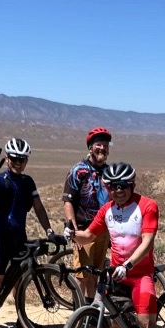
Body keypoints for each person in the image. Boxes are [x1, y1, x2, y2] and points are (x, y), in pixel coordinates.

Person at [69, 162, 165, 328]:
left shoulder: (147, 206)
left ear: (132, 185)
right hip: (117, 273)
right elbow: (89, 235)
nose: (118, 190)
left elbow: (147, 242)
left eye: (123, 185)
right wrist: (72, 234)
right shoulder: (107, 210)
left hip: (140, 274)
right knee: (114, 320)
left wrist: (128, 265)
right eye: (113, 186)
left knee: (146, 324)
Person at [0, 138, 61, 328]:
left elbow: (39, 208)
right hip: (1, 238)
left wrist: (49, 232)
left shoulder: (28, 182)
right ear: (7, 159)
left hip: (19, 237)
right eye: (14, 159)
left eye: (22, 160)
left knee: (19, 280)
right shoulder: (0, 179)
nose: (18, 163)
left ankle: (21, 320)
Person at [63, 127, 113, 301]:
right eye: (98, 144)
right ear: (90, 147)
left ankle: (89, 311)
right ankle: (79, 310)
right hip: (84, 230)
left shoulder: (109, 172)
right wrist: (75, 232)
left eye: (105, 145)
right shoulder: (79, 170)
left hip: (103, 231)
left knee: (95, 274)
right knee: (82, 276)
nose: (102, 148)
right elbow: (68, 201)